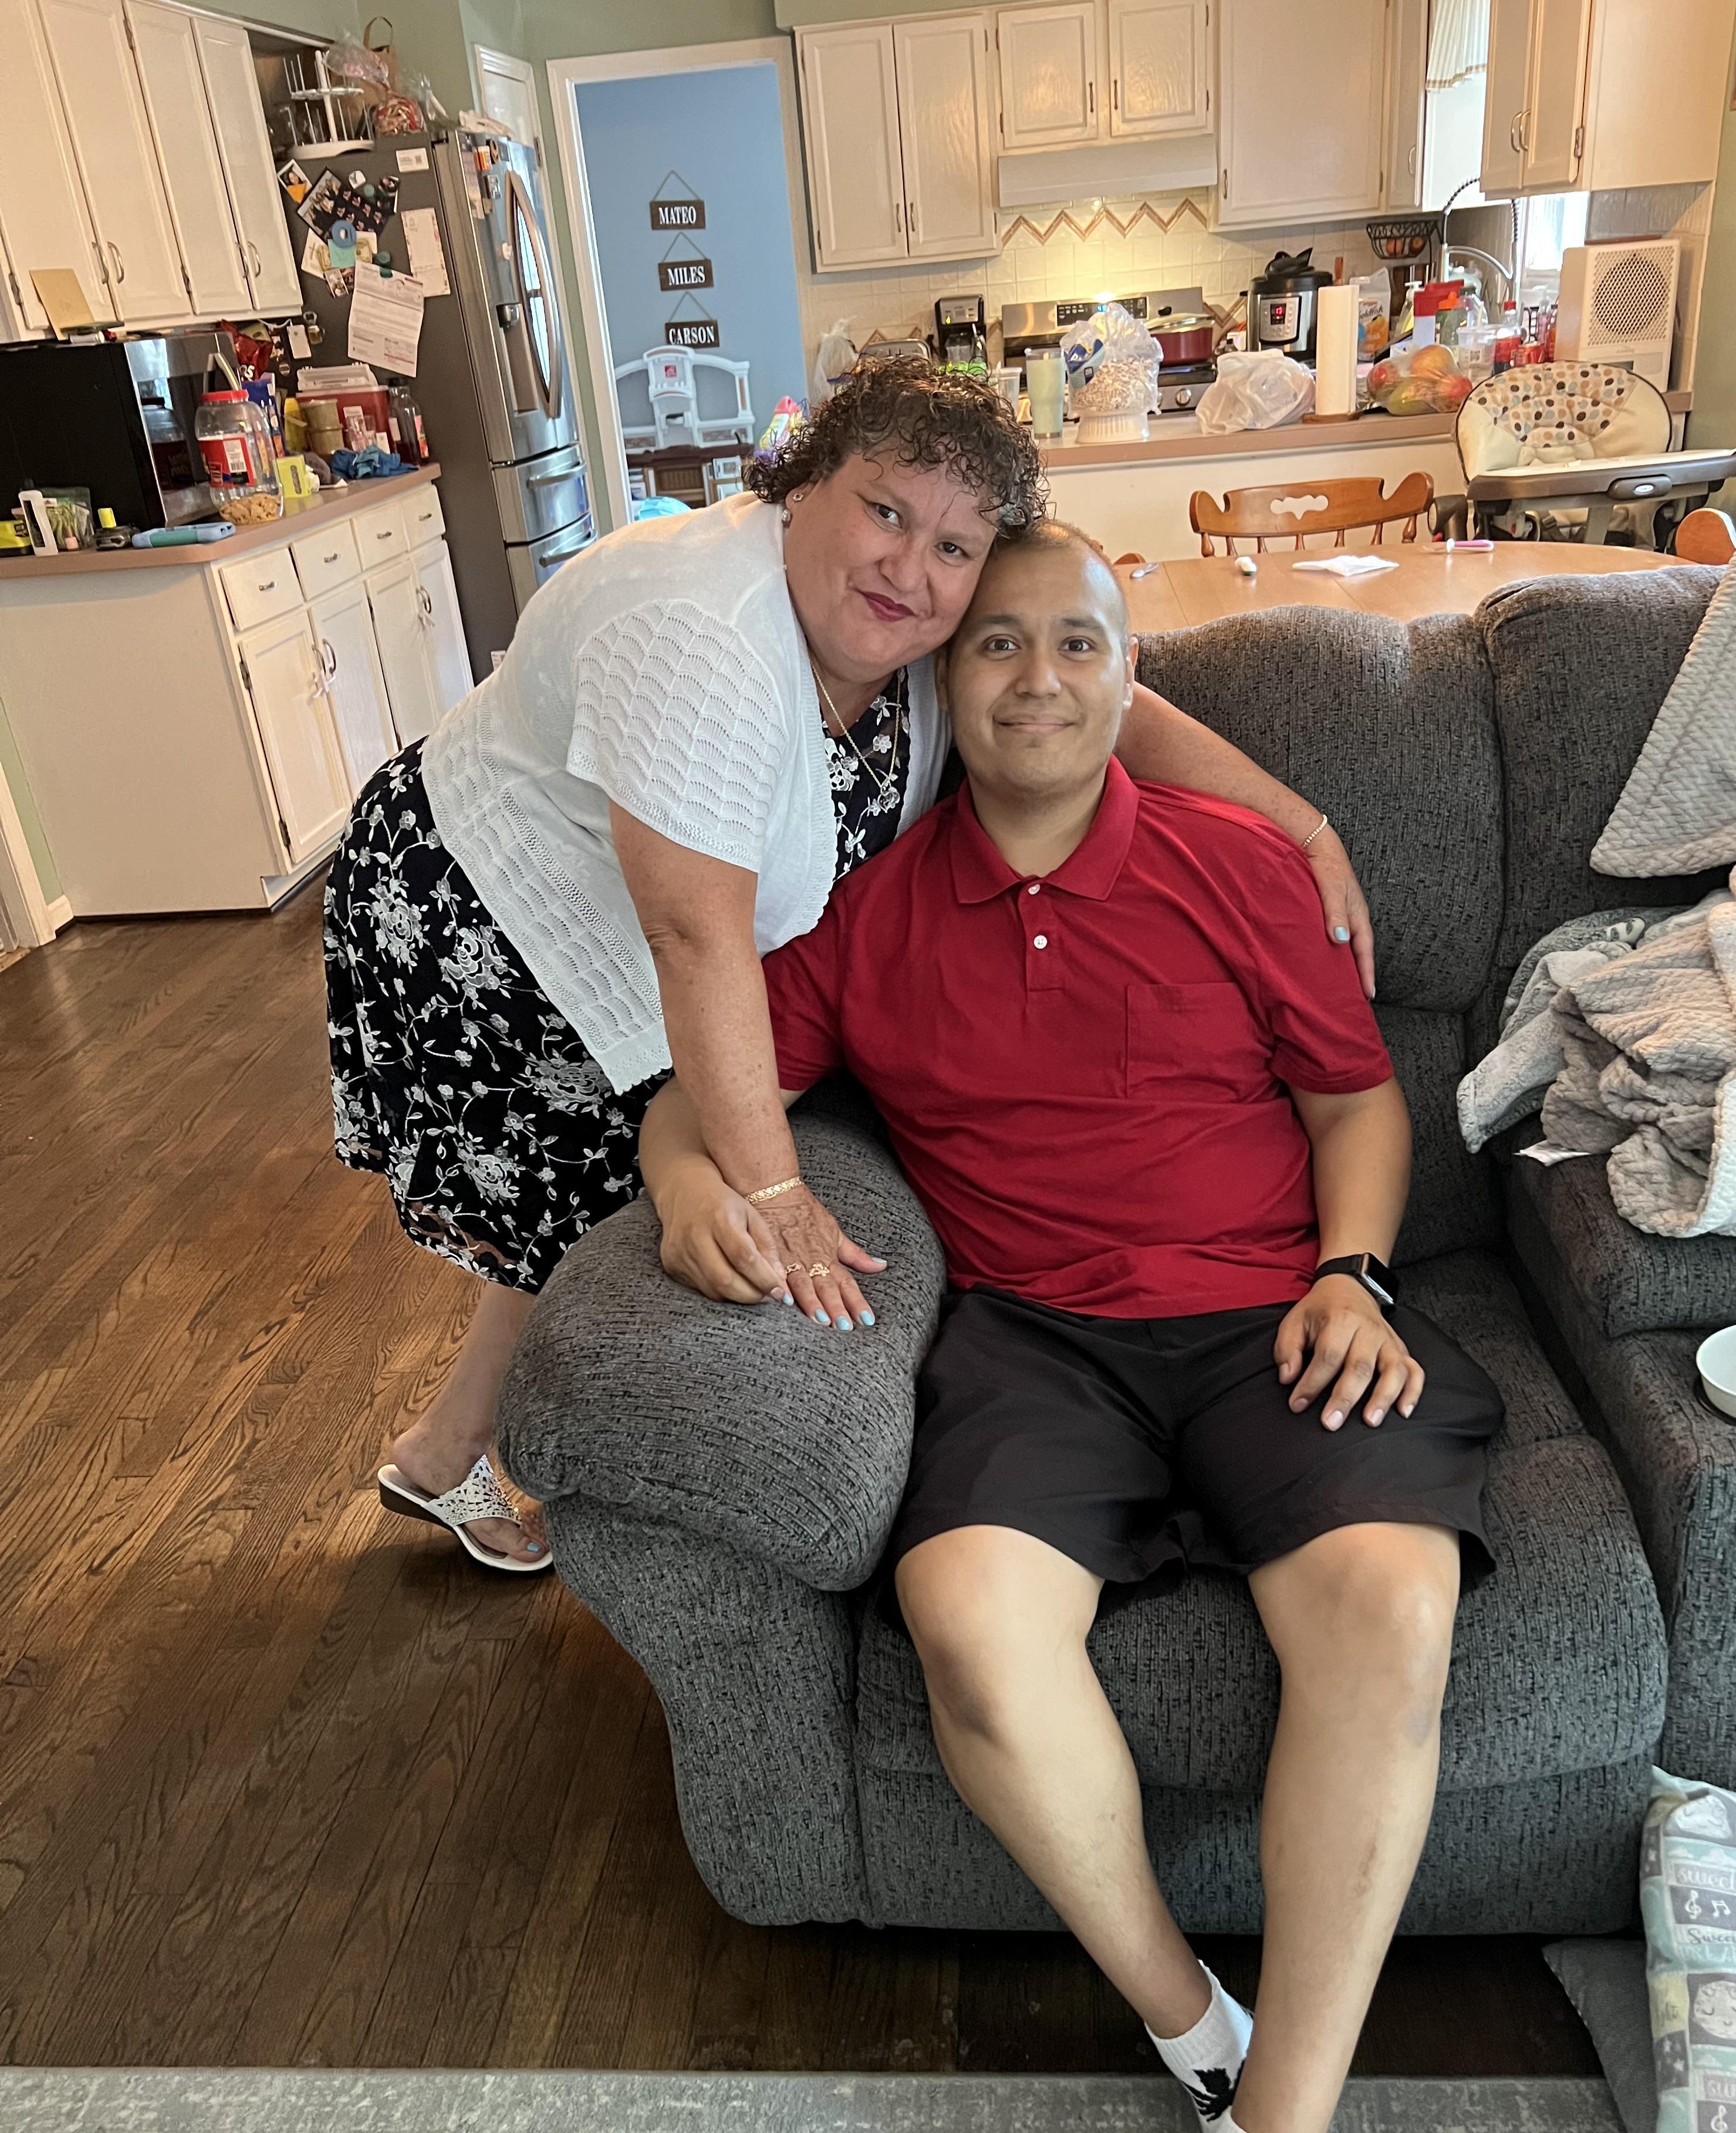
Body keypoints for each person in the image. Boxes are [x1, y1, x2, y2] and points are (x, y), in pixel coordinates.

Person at [639, 522, 1503, 2133]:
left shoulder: (1237, 865)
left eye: (1081, 644)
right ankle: (1209, 2047)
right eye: (998, 645)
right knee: (965, 1620)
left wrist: (1356, 1272)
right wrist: (685, 1181)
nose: (1040, 678)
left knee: (1391, 1609)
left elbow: (1357, 1100)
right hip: (1035, 1343)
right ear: (945, 687)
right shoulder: (869, 921)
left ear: (1130, 673)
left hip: (1276, 1311)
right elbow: (703, 1086)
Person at [325, 360, 1374, 1572]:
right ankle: (455, 1451)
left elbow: (1097, 700)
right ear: (802, 484)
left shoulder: (905, 621)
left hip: (666, 926)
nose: (909, 567)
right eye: (885, 510)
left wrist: (1300, 824)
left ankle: (441, 1450)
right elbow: (694, 937)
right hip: (500, 910)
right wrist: (777, 1193)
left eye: (952, 546)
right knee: (595, 1198)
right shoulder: (699, 630)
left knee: (610, 1190)